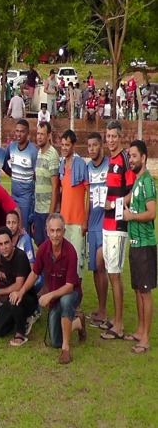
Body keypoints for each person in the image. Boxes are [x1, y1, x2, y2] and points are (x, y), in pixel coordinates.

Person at [11, 214, 86, 364]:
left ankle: (66, 349)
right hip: (55, 297)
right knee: (54, 341)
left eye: (59, 230)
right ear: (47, 231)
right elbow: (34, 273)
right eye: (52, 231)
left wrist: (49, 295)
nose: (55, 235)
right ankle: (77, 322)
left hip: (71, 293)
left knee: (65, 302)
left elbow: (70, 286)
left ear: (64, 231)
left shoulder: (71, 252)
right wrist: (21, 291)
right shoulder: (43, 249)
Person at [100, 120, 136, 340]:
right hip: (106, 224)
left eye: (114, 136)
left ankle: (120, 325)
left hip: (118, 225)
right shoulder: (110, 160)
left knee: (115, 274)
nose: (111, 139)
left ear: (120, 137)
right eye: (108, 135)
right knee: (109, 269)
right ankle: (114, 319)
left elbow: (132, 192)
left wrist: (114, 205)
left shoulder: (124, 159)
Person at [123, 140, 156, 353]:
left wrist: (131, 216)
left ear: (143, 157)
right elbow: (129, 200)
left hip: (145, 245)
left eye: (134, 156)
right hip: (135, 243)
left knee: (145, 292)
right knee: (137, 289)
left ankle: (145, 339)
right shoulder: (137, 181)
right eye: (130, 156)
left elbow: (152, 213)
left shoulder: (146, 181)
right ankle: (140, 330)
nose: (131, 160)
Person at [0, 227, 38, 345]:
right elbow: (6, 266)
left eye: (6, 243)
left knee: (14, 297)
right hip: (12, 299)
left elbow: (18, 286)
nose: (4, 247)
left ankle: (20, 333)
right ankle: (19, 319)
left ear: (12, 242)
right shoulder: (3, 256)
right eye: (1, 244)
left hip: (26, 298)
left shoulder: (20, 256)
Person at [58, 130, 89, 278]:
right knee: (64, 263)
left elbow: (89, 194)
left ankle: (77, 299)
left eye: (67, 145)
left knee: (77, 264)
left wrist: (85, 221)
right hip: (64, 222)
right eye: (62, 145)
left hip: (77, 222)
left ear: (74, 145)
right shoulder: (62, 166)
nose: (64, 148)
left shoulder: (81, 165)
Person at [86, 132, 109, 327]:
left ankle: (104, 311)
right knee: (95, 268)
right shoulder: (87, 168)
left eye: (95, 145)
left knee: (102, 265)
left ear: (101, 146)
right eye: (89, 146)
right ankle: (101, 309)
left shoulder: (109, 165)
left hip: (105, 223)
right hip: (91, 224)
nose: (92, 149)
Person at [4, 119, 38, 233]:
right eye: (17, 131)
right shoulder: (11, 147)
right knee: (11, 228)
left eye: (22, 132)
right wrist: (11, 174)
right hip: (13, 196)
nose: (18, 134)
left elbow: (36, 175)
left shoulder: (33, 151)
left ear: (28, 133)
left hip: (26, 198)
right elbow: (3, 162)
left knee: (22, 229)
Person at [32, 121, 59, 247]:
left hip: (47, 210)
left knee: (48, 247)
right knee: (39, 244)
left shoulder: (52, 155)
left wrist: (51, 215)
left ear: (49, 136)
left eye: (42, 134)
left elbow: (55, 187)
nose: (39, 137)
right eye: (38, 134)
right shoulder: (38, 153)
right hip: (38, 209)